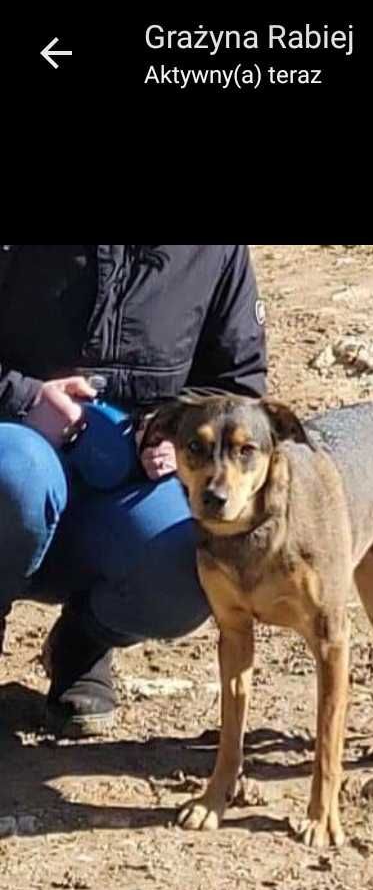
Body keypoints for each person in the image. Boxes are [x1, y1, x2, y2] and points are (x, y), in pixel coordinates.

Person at [0, 245, 267, 735]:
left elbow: (238, 387)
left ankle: (83, 642)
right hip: (17, 456)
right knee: (13, 470)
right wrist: (25, 397)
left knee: (192, 562)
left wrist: (174, 430)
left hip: (127, 492)